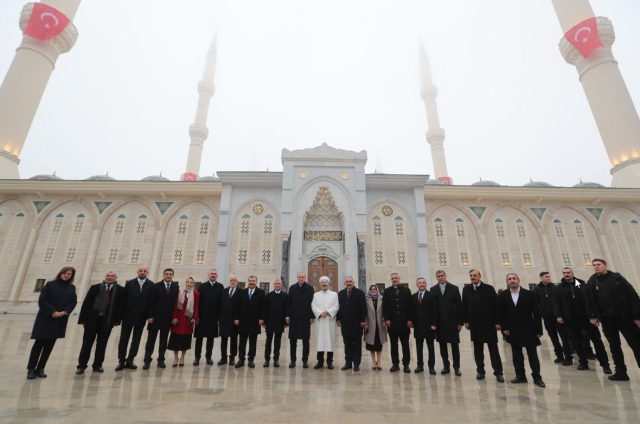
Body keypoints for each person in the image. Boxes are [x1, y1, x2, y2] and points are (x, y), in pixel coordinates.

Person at [585, 259, 640, 381]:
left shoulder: (617, 278)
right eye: (594, 265)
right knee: (614, 346)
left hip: (624, 318)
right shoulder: (592, 281)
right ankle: (621, 372)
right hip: (607, 320)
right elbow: (589, 301)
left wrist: (637, 317)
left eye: (598, 265)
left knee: (636, 345)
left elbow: (633, 296)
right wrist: (592, 316)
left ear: (605, 266)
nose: (596, 267)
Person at [554, 267, 611, 374]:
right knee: (576, 341)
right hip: (571, 318)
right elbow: (557, 302)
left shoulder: (580, 284)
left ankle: (605, 364)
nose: (566, 274)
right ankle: (583, 362)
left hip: (586, 317)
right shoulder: (560, 287)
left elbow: (591, 299)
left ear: (572, 273)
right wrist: (559, 315)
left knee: (596, 340)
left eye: (568, 272)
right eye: (564, 273)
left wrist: (594, 315)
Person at [27, 267, 78, 379]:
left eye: (69, 274)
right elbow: (42, 300)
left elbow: (73, 302)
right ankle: (31, 369)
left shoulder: (71, 288)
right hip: (46, 318)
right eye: (65, 273)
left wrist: (65, 311)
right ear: (60, 273)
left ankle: (41, 368)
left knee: (49, 345)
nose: (66, 275)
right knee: (39, 344)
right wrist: (52, 311)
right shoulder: (50, 285)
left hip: (60, 319)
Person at [498, 273, 545, 388]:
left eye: (514, 278)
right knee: (517, 355)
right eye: (509, 279)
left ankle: (537, 377)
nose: (512, 281)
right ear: (507, 281)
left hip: (529, 329)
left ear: (519, 280)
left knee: (532, 355)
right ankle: (520, 376)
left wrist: (539, 330)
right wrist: (505, 328)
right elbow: (501, 313)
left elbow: (536, 313)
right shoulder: (503, 295)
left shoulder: (529, 294)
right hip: (513, 330)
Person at [76, 270, 125, 374]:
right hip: (92, 320)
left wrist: (117, 321)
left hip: (107, 321)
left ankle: (97, 365)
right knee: (87, 344)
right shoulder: (95, 288)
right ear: (105, 276)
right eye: (108, 275)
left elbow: (120, 307)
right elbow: (87, 303)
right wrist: (83, 320)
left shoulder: (120, 290)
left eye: (112, 276)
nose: (109, 277)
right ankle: (81, 365)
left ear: (115, 278)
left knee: (102, 344)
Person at [462, 270, 504, 382]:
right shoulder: (466, 289)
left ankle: (498, 372)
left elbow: (496, 306)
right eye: (471, 276)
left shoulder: (489, 289)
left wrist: (497, 322)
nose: (472, 277)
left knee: (493, 349)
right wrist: (466, 321)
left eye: (475, 275)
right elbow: (464, 306)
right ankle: (480, 371)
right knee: (478, 350)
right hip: (475, 325)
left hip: (489, 324)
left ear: (480, 276)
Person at [116, 266, 153, 371]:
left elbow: (151, 302)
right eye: (141, 271)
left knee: (136, 340)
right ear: (137, 272)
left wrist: (149, 316)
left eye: (144, 271)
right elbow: (123, 301)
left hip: (140, 317)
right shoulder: (130, 283)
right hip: (128, 316)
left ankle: (130, 360)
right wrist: (120, 316)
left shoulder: (150, 285)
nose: (142, 272)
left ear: (147, 272)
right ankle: (121, 360)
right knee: (124, 339)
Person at [143, 268, 179, 369]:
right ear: (163, 275)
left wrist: (173, 317)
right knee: (151, 340)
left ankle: (161, 359)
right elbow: (151, 302)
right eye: (166, 274)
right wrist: (150, 316)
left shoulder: (176, 287)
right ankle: (147, 360)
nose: (168, 275)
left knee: (163, 341)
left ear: (173, 275)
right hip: (155, 318)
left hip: (167, 319)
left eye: (170, 274)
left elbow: (175, 304)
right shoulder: (156, 286)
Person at [430, 270, 463, 376]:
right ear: (436, 278)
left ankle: (456, 367)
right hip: (440, 323)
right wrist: (434, 323)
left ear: (445, 276)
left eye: (442, 275)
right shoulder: (433, 289)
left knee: (454, 346)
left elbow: (459, 306)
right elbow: (433, 308)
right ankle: (446, 366)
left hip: (452, 322)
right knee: (442, 346)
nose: (440, 277)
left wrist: (460, 322)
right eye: (438, 276)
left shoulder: (454, 288)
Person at [534, 271, 570, 364]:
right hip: (547, 317)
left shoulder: (555, 287)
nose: (549, 278)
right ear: (541, 278)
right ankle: (559, 355)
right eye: (546, 276)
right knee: (553, 337)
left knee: (564, 336)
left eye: (549, 276)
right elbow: (536, 303)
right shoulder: (537, 289)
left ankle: (568, 356)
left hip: (558, 316)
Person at [383, 273, 413, 373]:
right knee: (393, 345)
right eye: (393, 278)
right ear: (391, 279)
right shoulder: (387, 291)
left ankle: (406, 364)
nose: (394, 279)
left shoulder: (406, 290)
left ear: (399, 279)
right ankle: (395, 364)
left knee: (405, 344)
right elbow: (385, 307)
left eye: (396, 278)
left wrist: (410, 320)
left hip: (404, 323)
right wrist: (386, 319)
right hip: (392, 324)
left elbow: (410, 306)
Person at [193, 269, 223, 366]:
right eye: (211, 274)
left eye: (215, 274)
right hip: (202, 317)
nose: (213, 275)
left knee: (210, 339)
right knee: (199, 338)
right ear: (208, 275)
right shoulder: (202, 286)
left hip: (213, 318)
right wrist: (196, 316)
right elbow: (197, 303)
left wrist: (219, 318)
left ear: (217, 276)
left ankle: (208, 357)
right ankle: (197, 358)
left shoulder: (220, 287)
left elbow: (221, 304)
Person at [336, 276, 367, 372]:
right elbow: (338, 307)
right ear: (344, 283)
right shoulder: (340, 293)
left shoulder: (360, 293)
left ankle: (356, 363)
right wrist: (338, 318)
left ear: (353, 282)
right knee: (347, 344)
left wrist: (363, 320)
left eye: (350, 281)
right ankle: (348, 362)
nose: (348, 283)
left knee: (357, 344)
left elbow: (363, 308)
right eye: (347, 281)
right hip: (345, 323)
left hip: (357, 323)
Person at [234, 275, 265, 368]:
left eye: (253, 281)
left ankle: (251, 359)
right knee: (242, 341)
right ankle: (241, 359)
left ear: (256, 282)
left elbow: (263, 306)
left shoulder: (261, 292)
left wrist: (262, 318)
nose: (251, 282)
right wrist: (236, 318)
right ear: (248, 281)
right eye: (250, 280)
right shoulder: (242, 292)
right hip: (243, 321)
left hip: (255, 321)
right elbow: (237, 306)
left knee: (253, 341)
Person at [168, 277, 200, 367]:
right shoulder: (179, 292)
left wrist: (195, 317)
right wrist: (174, 317)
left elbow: (196, 306)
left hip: (188, 320)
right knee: (176, 340)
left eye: (191, 282)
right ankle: (175, 357)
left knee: (185, 340)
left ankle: (182, 357)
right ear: (185, 283)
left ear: (193, 284)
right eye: (188, 282)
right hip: (178, 319)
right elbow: (175, 306)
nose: (189, 284)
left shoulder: (196, 294)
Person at [286, 272, 315, 368]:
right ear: (297, 278)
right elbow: (288, 303)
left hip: (305, 317)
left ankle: (305, 360)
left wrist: (312, 316)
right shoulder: (292, 288)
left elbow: (312, 303)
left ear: (305, 277)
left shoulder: (310, 288)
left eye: (303, 277)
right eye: (300, 277)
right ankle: (293, 360)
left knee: (305, 340)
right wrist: (287, 315)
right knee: (293, 340)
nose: (301, 279)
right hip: (294, 317)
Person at [410, 277, 438, 375]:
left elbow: (435, 311)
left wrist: (434, 324)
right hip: (418, 326)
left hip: (429, 326)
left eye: (423, 283)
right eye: (419, 283)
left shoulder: (431, 296)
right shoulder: (413, 296)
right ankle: (420, 365)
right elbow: (411, 311)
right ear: (417, 285)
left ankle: (431, 366)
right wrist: (411, 322)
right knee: (419, 346)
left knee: (430, 347)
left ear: (426, 284)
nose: (421, 284)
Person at [312, 276, 340, 369]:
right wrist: (320, 313)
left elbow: (336, 306)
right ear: (320, 284)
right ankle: (320, 361)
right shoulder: (316, 295)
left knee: (330, 340)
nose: (324, 284)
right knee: (320, 341)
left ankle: (329, 362)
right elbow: (313, 306)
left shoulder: (334, 294)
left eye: (326, 282)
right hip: (320, 320)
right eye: (322, 282)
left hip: (329, 320)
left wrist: (328, 311)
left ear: (329, 284)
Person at [262, 279, 287, 367]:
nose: (277, 285)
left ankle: (276, 359)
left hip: (280, 322)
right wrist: (264, 322)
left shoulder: (285, 296)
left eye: (278, 284)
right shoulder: (268, 295)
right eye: (275, 284)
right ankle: (267, 360)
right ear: (273, 285)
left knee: (277, 342)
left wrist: (285, 323)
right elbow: (264, 309)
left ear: (281, 285)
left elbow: (286, 310)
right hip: (270, 322)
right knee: (268, 342)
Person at [218, 275, 239, 366]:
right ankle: (223, 357)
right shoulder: (224, 291)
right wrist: (218, 318)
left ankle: (232, 357)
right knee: (224, 339)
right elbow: (219, 305)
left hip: (234, 320)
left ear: (237, 282)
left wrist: (238, 318)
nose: (233, 282)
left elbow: (240, 307)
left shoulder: (240, 292)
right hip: (224, 319)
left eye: (234, 280)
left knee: (234, 339)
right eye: (231, 280)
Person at [365, 284, 387, 371]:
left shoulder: (381, 298)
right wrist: (365, 322)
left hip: (380, 324)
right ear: (369, 290)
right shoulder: (366, 299)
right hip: (370, 324)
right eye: (371, 289)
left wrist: (384, 320)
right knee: (371, 344)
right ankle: (373, 362)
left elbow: (385, 310)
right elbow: (364, 311)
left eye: (374, 289)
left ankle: (379, 361)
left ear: (377, 290)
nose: (373, 291)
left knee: (379, 344)